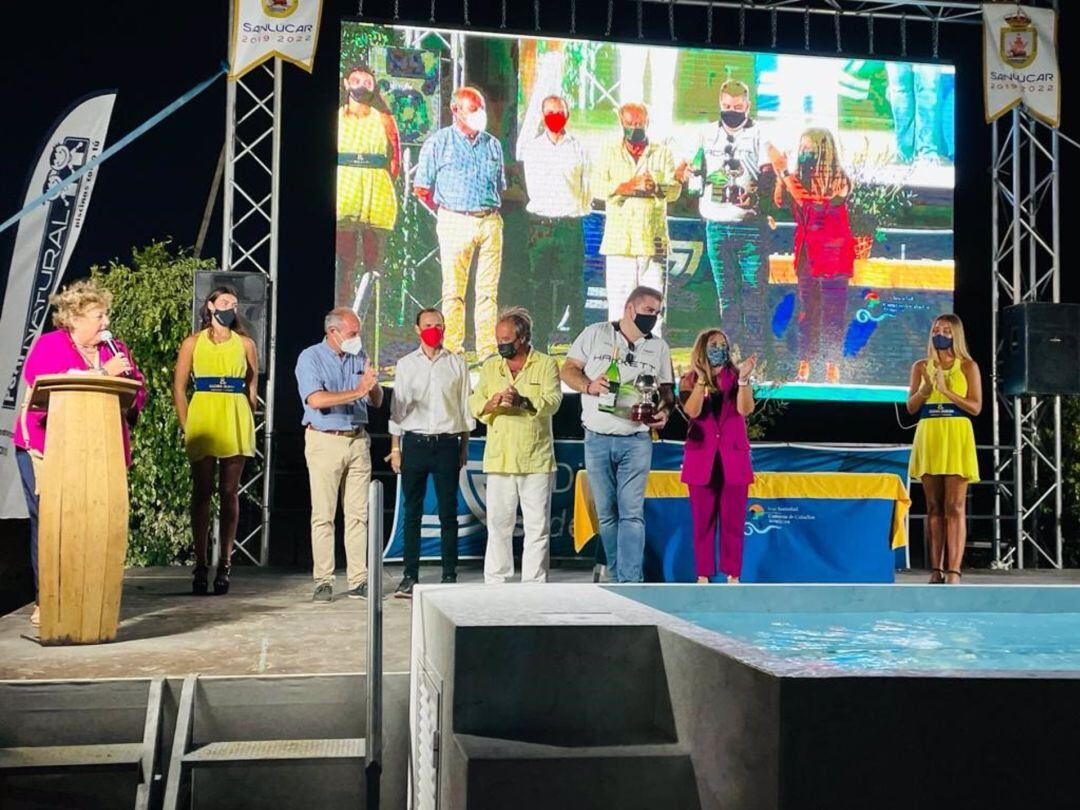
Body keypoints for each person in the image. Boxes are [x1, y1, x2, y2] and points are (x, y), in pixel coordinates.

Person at [14, 279, 146, 626]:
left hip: (99, 449)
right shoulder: (50, 345)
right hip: (47, 447)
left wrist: (129, 388)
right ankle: (48, 600)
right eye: (99, 316)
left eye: (106, 315)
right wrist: (103, 374)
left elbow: (138, 390)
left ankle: (90, 599)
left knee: (95, 522)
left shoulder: (114, 349)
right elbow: (46, 385)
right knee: (52, 522)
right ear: (74, 318)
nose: (106, 323)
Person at [560, 287, 674, 583]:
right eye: (649, 311)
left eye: (657, 313)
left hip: (636, 439)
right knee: (607, 514)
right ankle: (616, 571)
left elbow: (666, 391)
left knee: (632, 512)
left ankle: (630, 581)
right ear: (629, 309)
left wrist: (665, 412)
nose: (654, 317)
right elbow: (568, 369)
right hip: (597, 437)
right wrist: (588, 385)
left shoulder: (658, 347)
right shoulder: (595, 333)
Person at [172, 286, 258, 596]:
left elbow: (252, 386)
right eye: (224, 302)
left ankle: (225, 563)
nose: (230, 308)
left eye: (234, 304)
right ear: (210, 306)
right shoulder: (192, 343)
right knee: (203, 491)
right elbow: (179, 388)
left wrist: (247, 417)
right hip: (204, 415)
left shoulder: (245, 343)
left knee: (229, 492)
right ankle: (200, 562)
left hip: (234, 415)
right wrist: (187, 425)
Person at [295, 307, 383, 602]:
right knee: (323, 515)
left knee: (358, 515)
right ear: (333, 333)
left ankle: (359, 580)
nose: (357, 339)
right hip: (325, 441)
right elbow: (316, 399)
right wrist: (358, 391)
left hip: (358, 440)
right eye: (352, 333)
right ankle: (324, 580)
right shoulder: (310, 358)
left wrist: (371, 387)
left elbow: (377, 400)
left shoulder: (359, 355)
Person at [468, 308, 562, 583]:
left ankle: (533, 583)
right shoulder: (490, 366)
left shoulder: (545, 364)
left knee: (537, 527)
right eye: (498, 339)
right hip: (500, 458)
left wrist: (524, 402)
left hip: (536, 459)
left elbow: (554, 401)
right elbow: (475, 403)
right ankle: (496, 581)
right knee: (498, 524)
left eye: (506, 339)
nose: (501, 345)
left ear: (523, 338)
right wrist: (490, 404)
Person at [678, 80, 773, 350]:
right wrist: (688, 174)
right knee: (727, 297)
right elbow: (683, 169)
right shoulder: (705, 133)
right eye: (728, 106)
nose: (733, 111)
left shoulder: (760, 133)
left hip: (749, 227)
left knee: (754, 295)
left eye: (738, 107)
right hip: (716, 226)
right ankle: (732, 355)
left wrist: (754, 194)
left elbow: (769, 173)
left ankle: (757, 357)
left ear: (748, 106)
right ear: (720, 104)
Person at [414, 86, 507, 360]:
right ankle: (453, 347)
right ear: (456, 110)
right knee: (454, 290)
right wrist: (447, 211)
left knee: (488, 291)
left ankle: (487, 350)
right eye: (473, 109)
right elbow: (421, 188)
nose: (480, 114)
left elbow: (500, 185)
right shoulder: (438, 142)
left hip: (490, 220)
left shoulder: (493, 144)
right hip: (454, 219)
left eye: (482, 109)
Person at [389, 308, 474, 598]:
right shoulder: (405, 364)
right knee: (412, 512)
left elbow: (465, 409)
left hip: (447, 443)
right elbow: (397, 411)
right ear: (417, 329)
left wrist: (463, 446)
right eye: (428, 325)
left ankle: (449, 574)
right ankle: (409, 576)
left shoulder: (457, 363)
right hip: (414, 443)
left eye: (438, 325)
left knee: (448, 512)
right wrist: (395, 448)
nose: (433, 330)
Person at [769, 130, 855, 384]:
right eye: (801, 148)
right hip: (807, 255)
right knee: (807, 312)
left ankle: (832, 368)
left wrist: (785, 174)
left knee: (833, 314)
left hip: (833, 255)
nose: (804, 154)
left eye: (809, 149)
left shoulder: (840, 180)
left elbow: (814, 206)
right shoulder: (798, 178)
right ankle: (804, 366)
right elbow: (780, 201)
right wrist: (779, 175)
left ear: (823, 151)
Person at [906, 314, 981, 585]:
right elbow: (911, 407)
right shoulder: (920, 366)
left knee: (955, 505)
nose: (940, 334)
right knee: (934, 506)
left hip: (956, 434)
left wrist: (947, 390)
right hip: (930, 433)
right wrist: (927, 388)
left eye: (947, 330)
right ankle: (935, 569)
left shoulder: (968, 366)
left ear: (956, 334)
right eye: (937, 329)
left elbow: (975, 407)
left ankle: (954, 570)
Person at [593, 103, 680, 330]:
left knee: (653, 308)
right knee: (619, 307)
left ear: (647, 122)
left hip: (654, 242)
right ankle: (618, 359)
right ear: (621, 123)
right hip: (619, 242)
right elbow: (597, 187)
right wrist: (628, 186)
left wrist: (656, 186)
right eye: (630, 124)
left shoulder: (662, 152)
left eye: (639, 123)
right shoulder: (608, 151)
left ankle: (651, 359)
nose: (635, 127)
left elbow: (675, 190)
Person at [679, 329, 756, 584]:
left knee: (733, 522)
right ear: (702, 348)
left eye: (723, 344)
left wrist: (744, 381)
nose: (719, 348)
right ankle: (703, 575)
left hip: (733, 459)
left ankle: (733, 575)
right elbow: (692, 411)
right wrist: (701, 381)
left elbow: (745, 409)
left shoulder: (736, 378)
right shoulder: (689, 380)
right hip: (702, 460)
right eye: (714, 344)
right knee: (702, 523)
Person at [519, 94, 591, 344]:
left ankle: (578, 341)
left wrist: (574, 211)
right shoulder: (533, 148)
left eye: (559, 112)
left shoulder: (578, 147)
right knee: (540, 286)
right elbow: (531, 187)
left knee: (574, 286)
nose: (554, 117)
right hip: (540, 226)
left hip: (569, 225)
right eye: (549, 112)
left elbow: (586, 188)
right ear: (542, 115)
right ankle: (539, 341)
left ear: (567, 115)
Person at [336, 64, 402, 315]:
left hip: (377, 197)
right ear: (346, 83)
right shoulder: (338, 117)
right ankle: (342, 316)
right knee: (346, 263)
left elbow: (395, 160)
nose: (361, 84)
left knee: (374, 265)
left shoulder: (384, 119)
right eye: (356, 79)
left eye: (367, 80)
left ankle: (370, 318)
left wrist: (381, 183)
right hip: (345, 196)